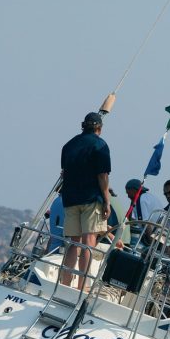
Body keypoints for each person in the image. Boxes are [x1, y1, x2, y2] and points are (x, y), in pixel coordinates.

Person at [60, 112, 111, 289]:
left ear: (83, 126)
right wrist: (107, 201)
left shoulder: (69, 145)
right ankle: (82, 285)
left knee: (74, 243)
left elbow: (64, 173)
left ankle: (65, 283)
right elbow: (102, 176)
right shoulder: (100, 145)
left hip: (70, 199)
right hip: (90, 199)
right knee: (89, 242)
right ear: (99, 128)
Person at [125, 179, 162, 246]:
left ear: (134, 190)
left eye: (128, 193)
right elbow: (129, 220)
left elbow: (146, 224)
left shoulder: (140, 201)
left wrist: (151, 246)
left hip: (154, 237)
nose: (128, 196)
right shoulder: (149, 196)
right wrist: (132, 202)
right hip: (161, 235)